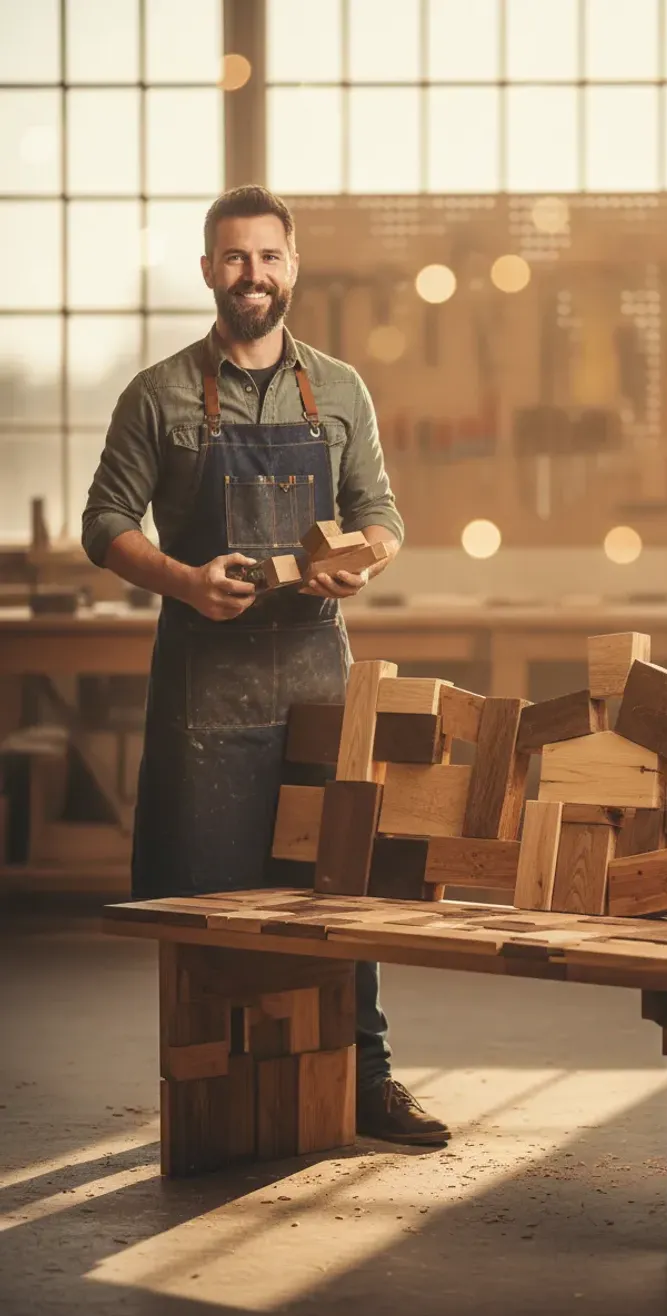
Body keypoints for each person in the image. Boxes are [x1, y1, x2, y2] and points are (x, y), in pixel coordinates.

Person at [82, 184, 450, 1147]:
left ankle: (364, 1079)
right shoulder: (157, 394)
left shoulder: (339, 389)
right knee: (211, 906)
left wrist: (358, 561)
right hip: (205, 684)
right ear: (208, 269)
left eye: (270, 257)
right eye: (235, 258)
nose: (253, 275)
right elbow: (105, 527)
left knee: (341, 885)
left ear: (294, 266)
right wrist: (186, 581)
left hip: (318, 682)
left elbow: (385, 516)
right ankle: (213, 1100)